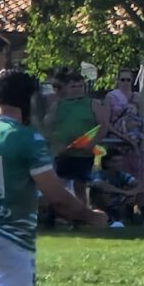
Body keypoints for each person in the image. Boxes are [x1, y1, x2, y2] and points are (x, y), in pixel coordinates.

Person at [0, 70, 107, 286]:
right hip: (10, 238)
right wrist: (90, 215)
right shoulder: (26, 138)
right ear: (29, 100)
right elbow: (58, 197)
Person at [45, 71, 108, 207]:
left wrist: (92, 143)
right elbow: (47, 126)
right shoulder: (58, 105)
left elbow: (103, 125)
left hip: (84, 153)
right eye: (74, 86)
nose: (78, 89)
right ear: (66, 88)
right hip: (63, 153)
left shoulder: (93, 103)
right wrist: (56, 144)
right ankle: (61, 214)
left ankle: (82, 213)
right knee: (60, 185)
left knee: (80, 186)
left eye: (81, 86)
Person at [102, 68, 144, 225]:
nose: (125, 82)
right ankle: (119, 213)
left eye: (128, 80)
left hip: (137, 145)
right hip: (118, 143)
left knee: (140, 177)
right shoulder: (111, 97)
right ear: (117, 81)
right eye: (122, 79)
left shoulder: (137, 97)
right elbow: (106, 122)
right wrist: (123, 136)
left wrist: (138, 137)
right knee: (120, 176)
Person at [89, 151, 140, 228]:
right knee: (103, 194)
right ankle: (114, 219)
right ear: (106, 163)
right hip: (102, 205)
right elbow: (100, 185)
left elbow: (138, 184)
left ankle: (139, 218)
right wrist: (123, 192)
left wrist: (132, 192)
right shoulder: (99, 173)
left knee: (132, 196)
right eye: (115, 161)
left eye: (120, 161)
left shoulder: (122, 174)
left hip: (119, 203)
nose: (119, 164)